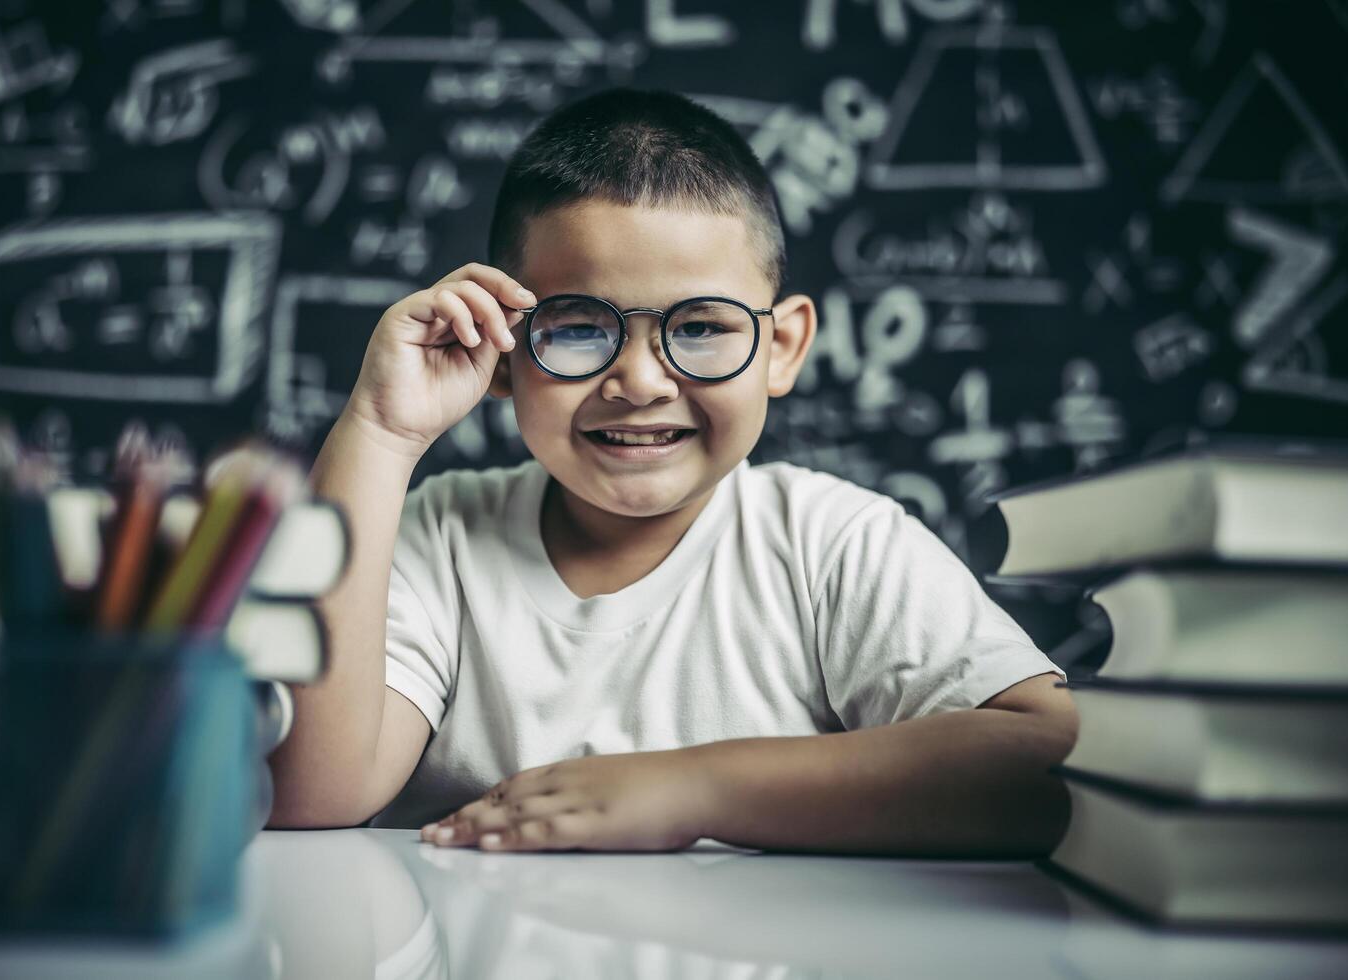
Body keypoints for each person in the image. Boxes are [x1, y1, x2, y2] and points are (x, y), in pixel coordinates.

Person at [266, 87, 1078, 857]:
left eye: (699, 327)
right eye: (580, 327)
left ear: (782, 347)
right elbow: (312, 795)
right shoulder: (439, 537)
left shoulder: (832, 545)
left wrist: (697, 789)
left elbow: (1051, 760)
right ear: (504, 352)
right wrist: (379, 430)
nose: (643, 382)